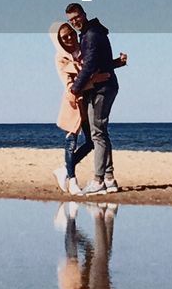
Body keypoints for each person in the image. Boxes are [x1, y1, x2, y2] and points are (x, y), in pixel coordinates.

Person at [49, 21, 126, 195]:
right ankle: (73, 179)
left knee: (93, 141)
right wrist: (93, 81)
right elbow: (71, 87)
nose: (69, 38)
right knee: (71, 142)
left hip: (89, 101)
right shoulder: (60, 58)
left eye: (70, 33)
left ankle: (67, 170)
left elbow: (95, 66)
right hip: (74, 104)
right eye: (64, 37)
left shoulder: (84, 48)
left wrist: (117, 63)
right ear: (58, 41)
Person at [65, 3, 123, 196]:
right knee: (101, 133)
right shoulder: (94, 33)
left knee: (97, 134)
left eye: (77, 17)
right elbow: (102, 63)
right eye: (71, 20)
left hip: (101, 89)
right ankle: (109, 178)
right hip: (105, 87)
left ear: (84, 14)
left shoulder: (90, 35)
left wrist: (74, 88)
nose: (75, 22)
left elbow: (89, 66)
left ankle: (98, 180)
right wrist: (117, 63)